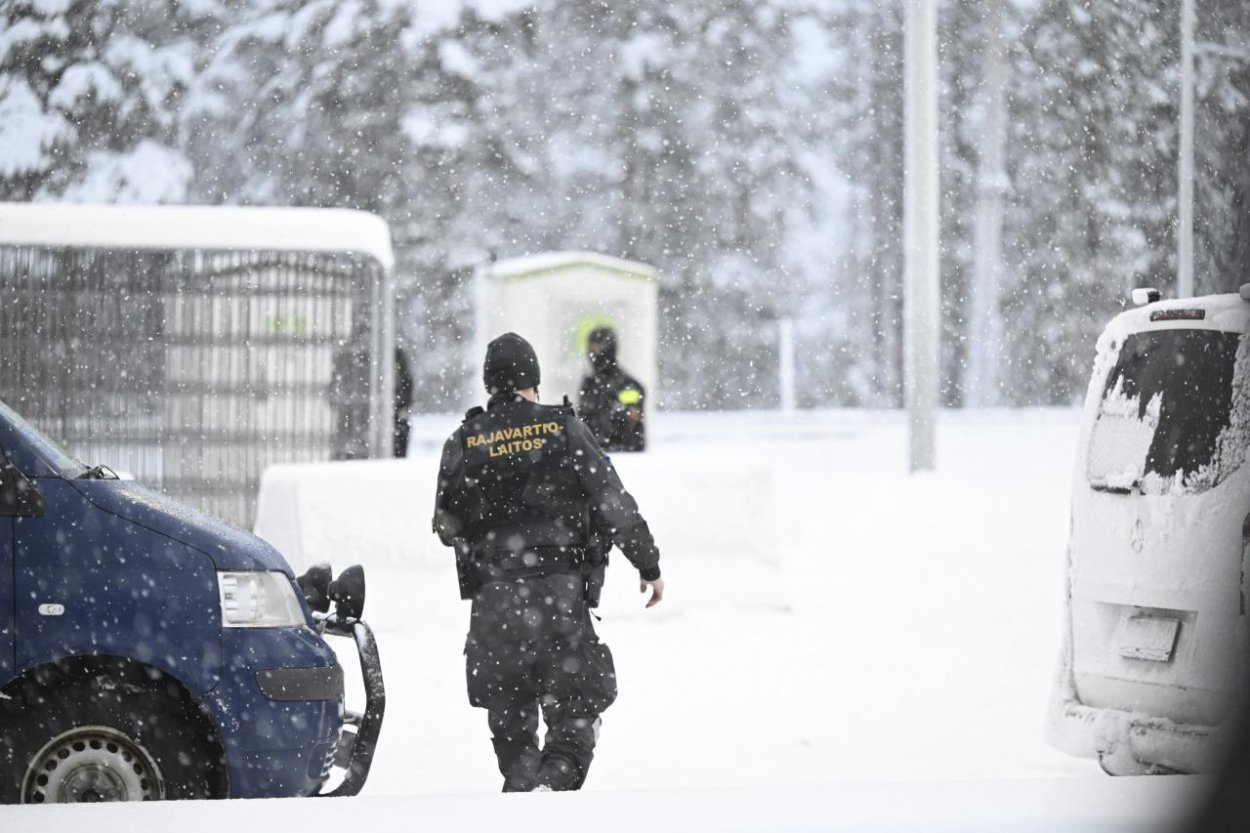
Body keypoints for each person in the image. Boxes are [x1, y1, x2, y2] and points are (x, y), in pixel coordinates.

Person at [433, 332, 664, 792]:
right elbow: (612, 502)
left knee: (513, 733)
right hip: (559, 599)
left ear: (490, 385)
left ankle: (524, 789)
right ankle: (555, 784)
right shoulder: (563, 427)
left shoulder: (464, 440)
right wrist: (648, 564)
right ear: (531, 384)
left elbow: (446, 526)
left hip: (495, 604)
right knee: (575, 712)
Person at [578, 326, 646, 452]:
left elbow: (630, 425)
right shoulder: (588, 384)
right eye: (591, 348)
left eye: (598, 347)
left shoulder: (629, 385)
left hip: (624, 458)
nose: (593, 352)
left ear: (609, 349)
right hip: (594, 457)